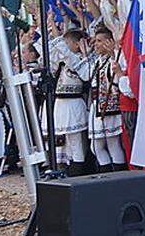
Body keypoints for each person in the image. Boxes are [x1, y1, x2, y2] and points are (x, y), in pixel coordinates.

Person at [47, 20, 92, 176]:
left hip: (73, 103)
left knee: (76, 141)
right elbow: (53, 57)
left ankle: (78, 172)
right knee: (64, 141)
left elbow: (66, 54)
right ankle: (66, 168)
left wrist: (54, 27)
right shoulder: (63, 63)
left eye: (68, 43)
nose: (65, 47)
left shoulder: (80, 60)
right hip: (61, 103)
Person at [89, 26, 126, 173]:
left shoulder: (112, 60)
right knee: (97, 147)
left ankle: (116, 176)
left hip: (109, 109)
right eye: (95, 41)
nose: (96, 44)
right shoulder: (98, 61)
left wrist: (113, 53)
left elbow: (117, 81)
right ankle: (108, 175)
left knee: (112, 144)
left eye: (99, 41)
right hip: (98, 106)